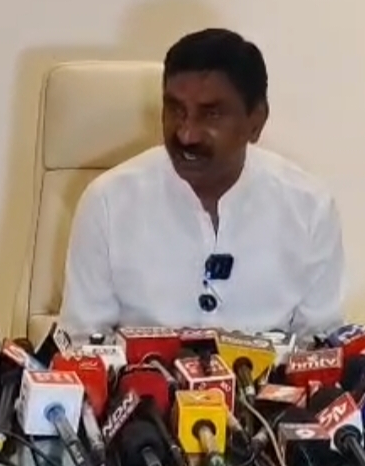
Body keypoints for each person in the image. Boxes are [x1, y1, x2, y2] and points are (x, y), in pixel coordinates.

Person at [58, 28, 345, 340]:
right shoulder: (108, 202)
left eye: (211, 114)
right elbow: (82, 341)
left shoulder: (310, 208)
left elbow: (321, 345)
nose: (187, 134)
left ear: (256, 121)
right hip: (136, 372)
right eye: (176, 110)